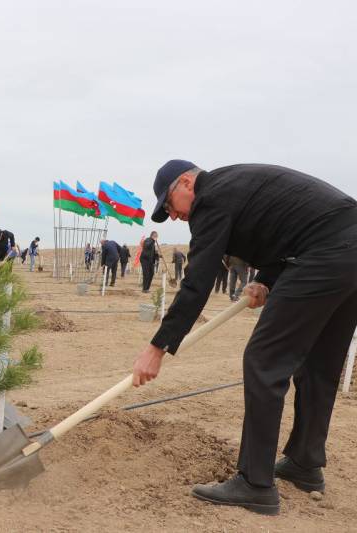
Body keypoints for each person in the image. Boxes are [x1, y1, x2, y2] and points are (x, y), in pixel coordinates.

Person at [132, 159, 357, 515]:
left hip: (325, 252)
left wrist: (157, 346)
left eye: (169, 205)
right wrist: (266, 279)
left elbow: (198, 280)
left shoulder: (211, 198)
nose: (173, 216)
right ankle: (304, 462)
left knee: (264, 360)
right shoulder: (235, 184)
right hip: (348, 246)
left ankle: (254, 483)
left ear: (187, 183)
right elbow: (287, 229)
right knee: (318, 363)